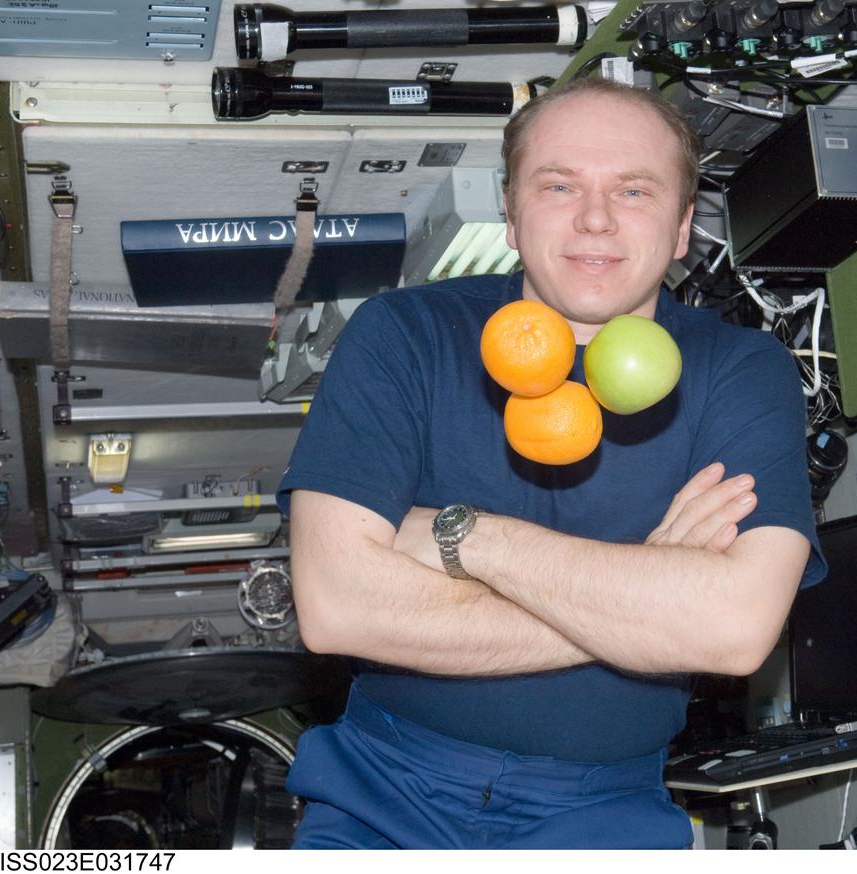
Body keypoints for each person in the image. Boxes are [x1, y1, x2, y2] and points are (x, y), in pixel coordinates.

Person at [275, 76, 827, 849]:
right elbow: (337, 607)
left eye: (634, 190)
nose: (595, 218)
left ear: (680, 228)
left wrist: (468, 538)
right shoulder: (404, 333)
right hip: (382, 789)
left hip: (606, 812)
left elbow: (733, 631)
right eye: (559, 185)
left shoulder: (742, 369)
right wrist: (646, 597)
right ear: (510, 213)